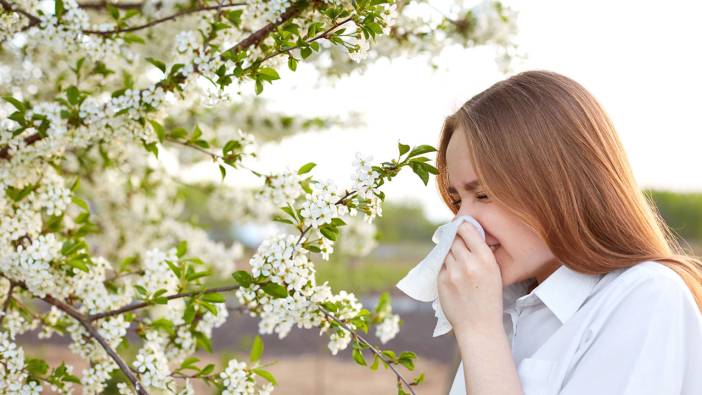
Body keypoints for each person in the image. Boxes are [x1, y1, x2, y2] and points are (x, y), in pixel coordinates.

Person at [434, 70, 702, 395]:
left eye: (484, 195)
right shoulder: (502, 305)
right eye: (458, 199)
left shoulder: (645, 296)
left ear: (558, 186)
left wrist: (479, 332)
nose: (462, 223)